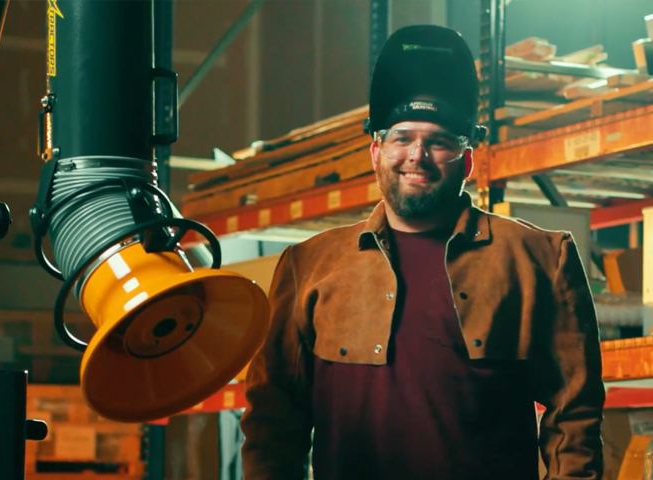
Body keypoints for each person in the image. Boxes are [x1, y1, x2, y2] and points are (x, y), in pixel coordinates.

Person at [240, 24, 604, 480]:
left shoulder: (539, 260)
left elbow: (575, 415)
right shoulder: (309, 266)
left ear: (467, 161)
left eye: (439, 141)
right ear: (375, 151)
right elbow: (272, 423)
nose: (418, 154)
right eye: (402, 137)